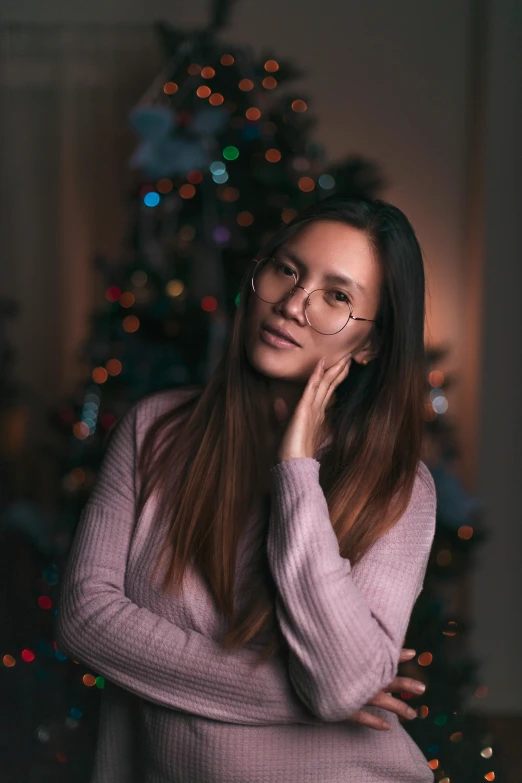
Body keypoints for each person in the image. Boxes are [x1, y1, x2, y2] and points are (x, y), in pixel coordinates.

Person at [55, 195, 437, 783]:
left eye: (337, 296)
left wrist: (295, 471)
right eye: (287, 269)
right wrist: (309, 697)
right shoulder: (156, 430)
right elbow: (87, 618)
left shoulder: (397, 485)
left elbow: (340, 682)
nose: (290, 305)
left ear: (370, 344)